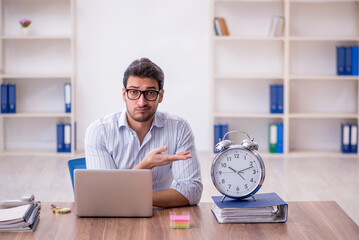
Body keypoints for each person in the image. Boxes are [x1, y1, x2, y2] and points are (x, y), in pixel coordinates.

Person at [84, 58, 203, 208]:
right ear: (123, 94)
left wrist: (136, 196)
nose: (141, 102)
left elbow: (192, 191)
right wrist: (146, 164)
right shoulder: (99, 131)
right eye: (134, 92)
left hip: (160, 218)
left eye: (150, 93)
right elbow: (103, 195)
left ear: (160, 96)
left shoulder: (179, 128)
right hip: (114, 220)